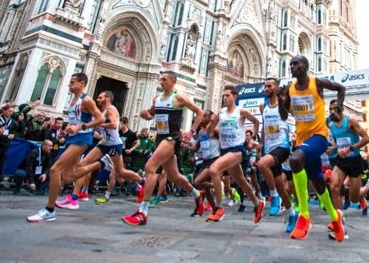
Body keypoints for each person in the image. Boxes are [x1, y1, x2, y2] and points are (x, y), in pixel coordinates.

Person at [122, 70, 205, 226]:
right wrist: (145, 115)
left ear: (173, 81)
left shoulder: (178, 97)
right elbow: (152, 114)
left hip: (171, 138)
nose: (161, 82)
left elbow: (199, 112)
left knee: (150, 166)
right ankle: (197, 194)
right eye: (160, 79)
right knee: (175, 177)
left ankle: (143, 212)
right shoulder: (157, 98)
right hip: (160, 138)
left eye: (164, 79)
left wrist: (191, 131)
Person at [277, 55, 346, 241]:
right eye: (290, 64)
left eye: (296, 63)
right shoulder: (290, 89)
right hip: (302, 139)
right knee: (317, 182)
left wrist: (338, 106)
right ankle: (335, 217)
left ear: (306, 66)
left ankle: (304, 215)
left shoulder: (318, 83)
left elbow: (341, 88)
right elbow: (284, 116)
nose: (292, 67)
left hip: (319, 136)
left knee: (295, 159)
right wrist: (281, 98)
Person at [27, 73, 105, 222]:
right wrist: (68, 128)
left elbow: (100, 118)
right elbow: (76, 120)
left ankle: (49, 210)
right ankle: (99, 164)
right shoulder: (73, 100)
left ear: (82, 83)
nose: (69, 84)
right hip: (72, 138)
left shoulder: (86, 100)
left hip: (82, 139)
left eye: (72, 82)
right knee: (69, 177)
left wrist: (80, 127)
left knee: (55, 169)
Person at [55, 90, 144, 208]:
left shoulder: (111, 109)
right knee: (82, 165)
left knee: (120, 172)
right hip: (103, 143)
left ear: (107, 99)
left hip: (113, 144)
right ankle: (75, 198)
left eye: (100, 97)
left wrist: (98, 124)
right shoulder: (102, 111)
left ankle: (143, 181)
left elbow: (113, 125)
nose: (97, 99)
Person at [205, 85, 264, 223]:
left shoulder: (241, 111)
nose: (225, 98)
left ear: (235, 97)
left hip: (237, 149)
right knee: (241, 181)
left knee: (213, 170)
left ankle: (218, 208)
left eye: (227, 95)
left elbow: (255, 121)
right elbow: (208, 132)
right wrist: (213, 121)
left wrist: (253, 136)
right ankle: (257, 203)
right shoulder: (221, 113)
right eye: (223, 96)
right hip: (225, 150)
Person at [327, 100, 369, 222]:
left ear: (341, 108)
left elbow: (367, 139)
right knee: (334, 186)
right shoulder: (331, 125)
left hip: (355, 161)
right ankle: (338, 220)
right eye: (330, 109)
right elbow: (339, 141)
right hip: (341, 160)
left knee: (354, 199)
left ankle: (366, 189)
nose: (331, 112)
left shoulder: (350, 121)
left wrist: (350, 148)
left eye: (334, 109)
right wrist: (333, 148)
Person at [256, 78, 294, 221]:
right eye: (265, 86)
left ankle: (274, 197)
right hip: (269, 148)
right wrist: (261, 144)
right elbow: (264, 127)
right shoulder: (263, 106)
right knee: (279, 185)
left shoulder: (283, 104)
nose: (266, 88)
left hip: (282, 146)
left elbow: (297, 116)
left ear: (276, 88)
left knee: (262, 164)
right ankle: (291, 212)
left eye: (269, 86)